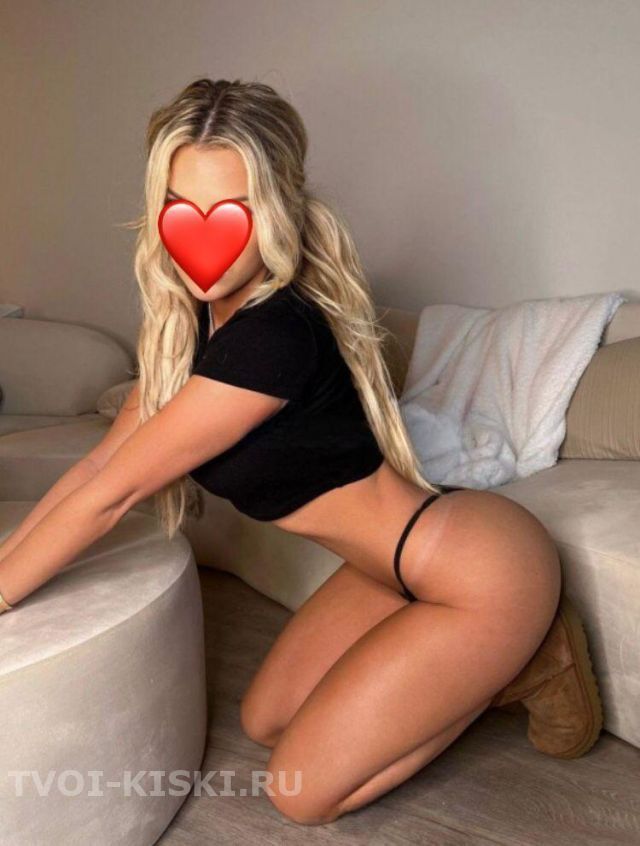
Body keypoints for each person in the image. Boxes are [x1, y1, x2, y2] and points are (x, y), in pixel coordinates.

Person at [0, 78, 602, 826]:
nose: (205, 237)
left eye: (235, 209)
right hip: (386, 573)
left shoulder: (274, 335)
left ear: (277, 210)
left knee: (300, 793)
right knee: (266, 719)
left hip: (481, 571)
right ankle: (485, 653)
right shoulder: (194, 326)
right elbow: (98, 467)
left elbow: (112, 495)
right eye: (182, 207)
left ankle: (520, 654)